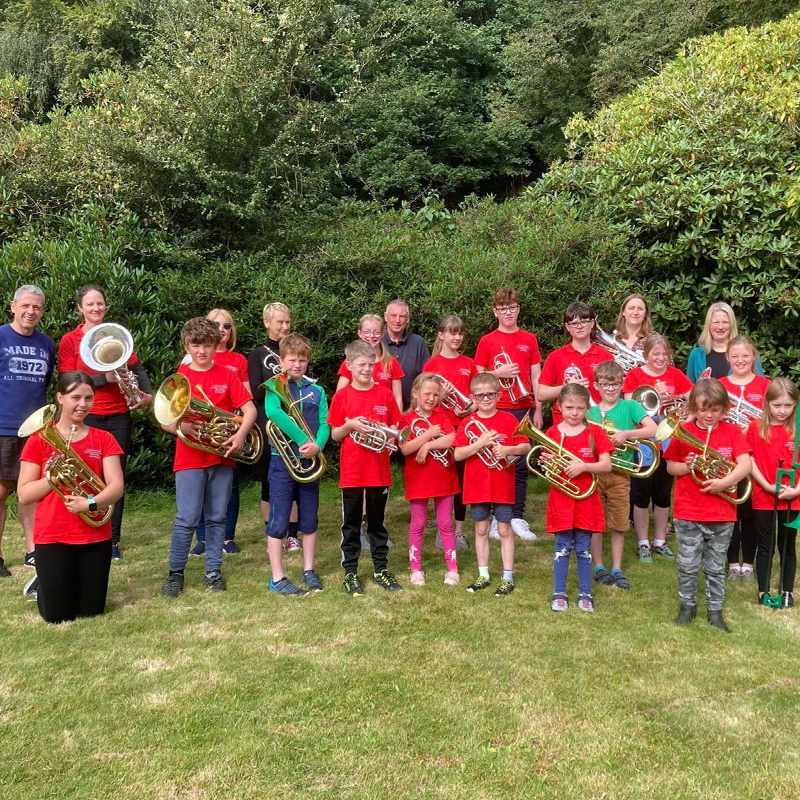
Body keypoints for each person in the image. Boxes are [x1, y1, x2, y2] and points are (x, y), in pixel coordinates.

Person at [18, 371, 124, 623]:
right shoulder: (38, 440)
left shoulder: (104, 439)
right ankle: (42, 582)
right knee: (58, 617)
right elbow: (23, 495)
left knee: (91, 613)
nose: (82, 404)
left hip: (94, 536)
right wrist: (53, 479)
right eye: (75, 397)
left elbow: (116, 486)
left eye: (89, 398)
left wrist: (90, 503)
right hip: (53, 536)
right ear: (60, 398)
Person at [161, 318, 256, 597]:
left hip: (221, 457)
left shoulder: (227, 374)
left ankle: (213, 570)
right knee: (187, 518)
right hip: (189, 457)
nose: (202, 351)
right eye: (196, 345)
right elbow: (164, 419)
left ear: (217, 345)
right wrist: (182, 427)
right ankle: (175, 573)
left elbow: (248, 410)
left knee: (217, 517)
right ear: (186, 346)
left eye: (207, 345)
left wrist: (239, 436)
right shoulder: (180, 377)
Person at [58, 284, 153, 561]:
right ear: (80, 308)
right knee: (83, 475)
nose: (96, 308)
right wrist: (103, 379)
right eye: (90, 304)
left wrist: (145, 394)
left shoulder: (115, 334)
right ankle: (84, 530)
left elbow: (136, 368)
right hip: (85, 415)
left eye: (100, 303)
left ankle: (112, 539)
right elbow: (67, 379)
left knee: (114, 477)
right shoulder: (70, 340)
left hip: (118, 415)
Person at [665, 378, 752, 633]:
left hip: (722, 512)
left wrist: (723, 482)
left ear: (724, 409)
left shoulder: (733, 432)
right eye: (703, 409)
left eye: (715, 410)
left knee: (716, 567)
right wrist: (688, 466)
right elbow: (671, 467)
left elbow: (745, 465)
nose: (709, 415)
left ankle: (715, 611)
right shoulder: (684, 432)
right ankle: (686, 607)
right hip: (688, 511)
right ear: (695, 408)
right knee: (688, 564)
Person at [328, 340, 404, 596]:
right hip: (352, 471)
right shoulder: (342, 395)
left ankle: (381, 568)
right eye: (361, 365)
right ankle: (350, 572)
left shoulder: (384, 393)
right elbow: (336, 434)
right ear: (349, 365)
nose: (367, 369)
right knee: (350, 524)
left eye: (371, 365)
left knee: (377, 524)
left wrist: (391, 439)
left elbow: (394, 427)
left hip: (378, 470)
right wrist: (352, 426)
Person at [474, 288, 543, 541]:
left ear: (518, 309)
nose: (508, 313)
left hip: (523, 406)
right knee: (496, 463)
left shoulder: (530, 338)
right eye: (503, 309)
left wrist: (538, 408)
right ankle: (496, 517)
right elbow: (478, 378)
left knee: (521, 464)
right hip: (495, 407)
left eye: (512, 308)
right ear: (495, 311)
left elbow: (536, 376)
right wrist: (498, 374)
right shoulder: (487, 341)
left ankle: (517, 516)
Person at [453, 373, 531, 596]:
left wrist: (508, 450)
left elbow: (525, 447)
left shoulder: (508, 420)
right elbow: (458, 454)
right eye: (480, 395)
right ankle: (483, 574)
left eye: (490, 394)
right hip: (477, 485)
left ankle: (508, 576)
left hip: (502, 484)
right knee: (481, 528)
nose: (485, 399)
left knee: (505, 529)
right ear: (472, 397)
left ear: (499, 395)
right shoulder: (468, 422)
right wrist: (480, 443)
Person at [264, 333, 329, 596]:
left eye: (302, 359)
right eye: (292, 359)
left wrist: (318, 445)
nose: (297, 364)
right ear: (282, 360)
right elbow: (273, 413)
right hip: (283, 462)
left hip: (310, 461)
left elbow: (325, 422)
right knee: (278, 520)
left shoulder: (318, 390)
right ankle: (277, 577)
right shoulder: (273, 386)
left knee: (309, 518)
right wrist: (303, 438)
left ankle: (308, 569)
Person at [0, 285, 56, 577]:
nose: (30, 311)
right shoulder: (0, 336)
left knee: (31, 493)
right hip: (2, 426)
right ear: (13, 306)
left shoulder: (46, 343)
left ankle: (33, 551)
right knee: (0, 490)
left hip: (36, 429)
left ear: (41, 312)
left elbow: (44, 381)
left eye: (36, 307)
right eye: (25, 306)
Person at [623, 333, 693, 562]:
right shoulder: (635, 375)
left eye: (664, 353)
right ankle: (643, 542)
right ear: (646, 355)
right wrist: (655, 399)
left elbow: (694, 399)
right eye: (656, 353)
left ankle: (660, 541)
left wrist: (675, 399)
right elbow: (628, 403)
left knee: (663, 494)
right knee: (642, 493)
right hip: (644, 443)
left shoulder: (676, 375)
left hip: (669, 442)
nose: (661, 357)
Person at [586, 361, 656, 590]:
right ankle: (598, 566)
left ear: (621, 384)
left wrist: (627, 434)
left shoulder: (631, 406)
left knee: (618, 523)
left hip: (620, 474)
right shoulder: (590, 413)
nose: (610, 389)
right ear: (596, 386)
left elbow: (653, 429)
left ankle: (616, 568)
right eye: (605, 384)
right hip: (596, 473)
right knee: (596, 523)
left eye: (614, 384)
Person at [544, 384, 614, 613]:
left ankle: (585, 593)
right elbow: (547, 464)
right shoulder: (553, 433)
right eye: (569, 407)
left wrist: (584, 466)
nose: (574, 413)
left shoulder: (595, 431)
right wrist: (546, 463)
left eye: (580, 408)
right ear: (559, 406)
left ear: (587, 408)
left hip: (586, 498)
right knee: (562, 547)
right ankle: (559, 592)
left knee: (584, 549)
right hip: (561, 498)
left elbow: (606, 464)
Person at [190, 309, 250, 557]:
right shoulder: (192, 356)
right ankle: (203, 538)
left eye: (227, 325)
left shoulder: (238, 360)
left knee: (230, 486)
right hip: (200, 429)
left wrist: (235, 420)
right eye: (216, 324)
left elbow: (245, 394)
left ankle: (227, 537)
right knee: (201, 485)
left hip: (228, 427)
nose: (222, 329)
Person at [400, 374, 460, 586]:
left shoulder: (442, 414)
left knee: (445, 523)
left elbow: (452, 438)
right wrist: (428, 435)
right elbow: (405, 448)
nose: (432, 398)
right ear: (416, 393)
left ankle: (452, 568)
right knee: (418, 523)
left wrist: (427, 446)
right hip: (419, 478)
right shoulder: (406, 419)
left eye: (436, 394)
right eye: (427, 393)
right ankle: (415, 569)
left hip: (444, 477)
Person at [247, 303, 300, 548]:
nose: (285, 326)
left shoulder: (296, 349)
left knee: (297, 476)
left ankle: (292, 534)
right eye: (280, 322)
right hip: (269, 422)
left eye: (287, 321)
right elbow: (257, 391)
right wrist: (280, 380)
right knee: (271, 479)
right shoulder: (258, 354)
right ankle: (273, 533)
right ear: (267, 322)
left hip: (296, 420)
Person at [424, 315, 478, 551]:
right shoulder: (432, 365)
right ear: (441, 335)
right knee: (442, 478)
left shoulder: (469, 363)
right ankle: (442, 526)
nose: (457, 338)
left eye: (460, 333)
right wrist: (442, 398)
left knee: (461, 480)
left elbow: (477, 399)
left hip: (463, 427)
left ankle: (459, 531)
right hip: (439, 427)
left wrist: (469, 409)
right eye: (452, 333)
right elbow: (425, 403)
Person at [720, 335, 770, 581]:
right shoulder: (719, 384)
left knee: (749, 512)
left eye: (745, 355)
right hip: (726, 457)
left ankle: (748, 564)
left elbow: (774, 422)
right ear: (728, 358)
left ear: (753, 357)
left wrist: (749, 431)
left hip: (756, 457)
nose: (740, 360)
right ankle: (732, 563)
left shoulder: (765, 385)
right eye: (735, 356)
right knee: (730, 509)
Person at [748, 378, 800, 607]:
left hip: (794, 497)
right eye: (777, 405)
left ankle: (787, 591)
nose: (782, 411)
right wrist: (767, 486)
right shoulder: (755, 427)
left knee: (787, 545)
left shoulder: (797, 430)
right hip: (764, 494)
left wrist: (797, 490)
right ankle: (763, 591)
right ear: (767, 403)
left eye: (788, 406)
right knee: (765, 544)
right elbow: (749, 460)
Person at [539, 302, 614, 426]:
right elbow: (541, 394)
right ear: (567, 327)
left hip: (597, 420)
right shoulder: (555, 356)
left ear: (592, 323)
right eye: (574, 323)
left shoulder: (606, 356)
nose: (579, 326)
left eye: (584, 321)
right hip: (563, 422)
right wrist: (567, 386)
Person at [336, 313, 403, 412]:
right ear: (360, 333)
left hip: (383, 418)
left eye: (376, 332)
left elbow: (398, 398)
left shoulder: (391, 362)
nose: (372, 336)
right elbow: (339, 394)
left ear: (382, 334)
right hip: (356, 414)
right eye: (367, 332)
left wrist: (396, 424)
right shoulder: (351, 361)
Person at [686, 302, 765, 381]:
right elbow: (689, 390)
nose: (720, 327)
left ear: (731, 325)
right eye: (716, 322)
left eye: (725, 322)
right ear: (708, 325)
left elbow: (761, 386)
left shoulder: (747, 352)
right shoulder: (697, 355)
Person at [381, 299, 431, 408]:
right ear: (385, 316)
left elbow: (426, 378)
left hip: (411, 410)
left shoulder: (418, 342)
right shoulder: (376, 342)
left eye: (402, 316)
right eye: (393, 315)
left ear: (408, 319)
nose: (397, 320)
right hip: (380, 409)